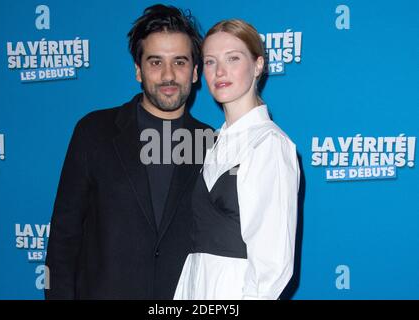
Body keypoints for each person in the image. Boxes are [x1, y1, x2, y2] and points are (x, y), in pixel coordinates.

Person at [45, 4, 212, 299]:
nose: (168, 75)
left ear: (195, 71)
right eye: (156, 62)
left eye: (180, 62)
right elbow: (64, 238)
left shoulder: (212, 144)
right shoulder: (94, 131)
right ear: (138, 70)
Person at [174, 19, 300, 300]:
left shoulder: (269, 145)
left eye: (233, 58)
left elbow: (272, 266)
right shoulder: (211, 143)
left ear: (257, 66)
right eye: (210, 62)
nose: (220, 71)